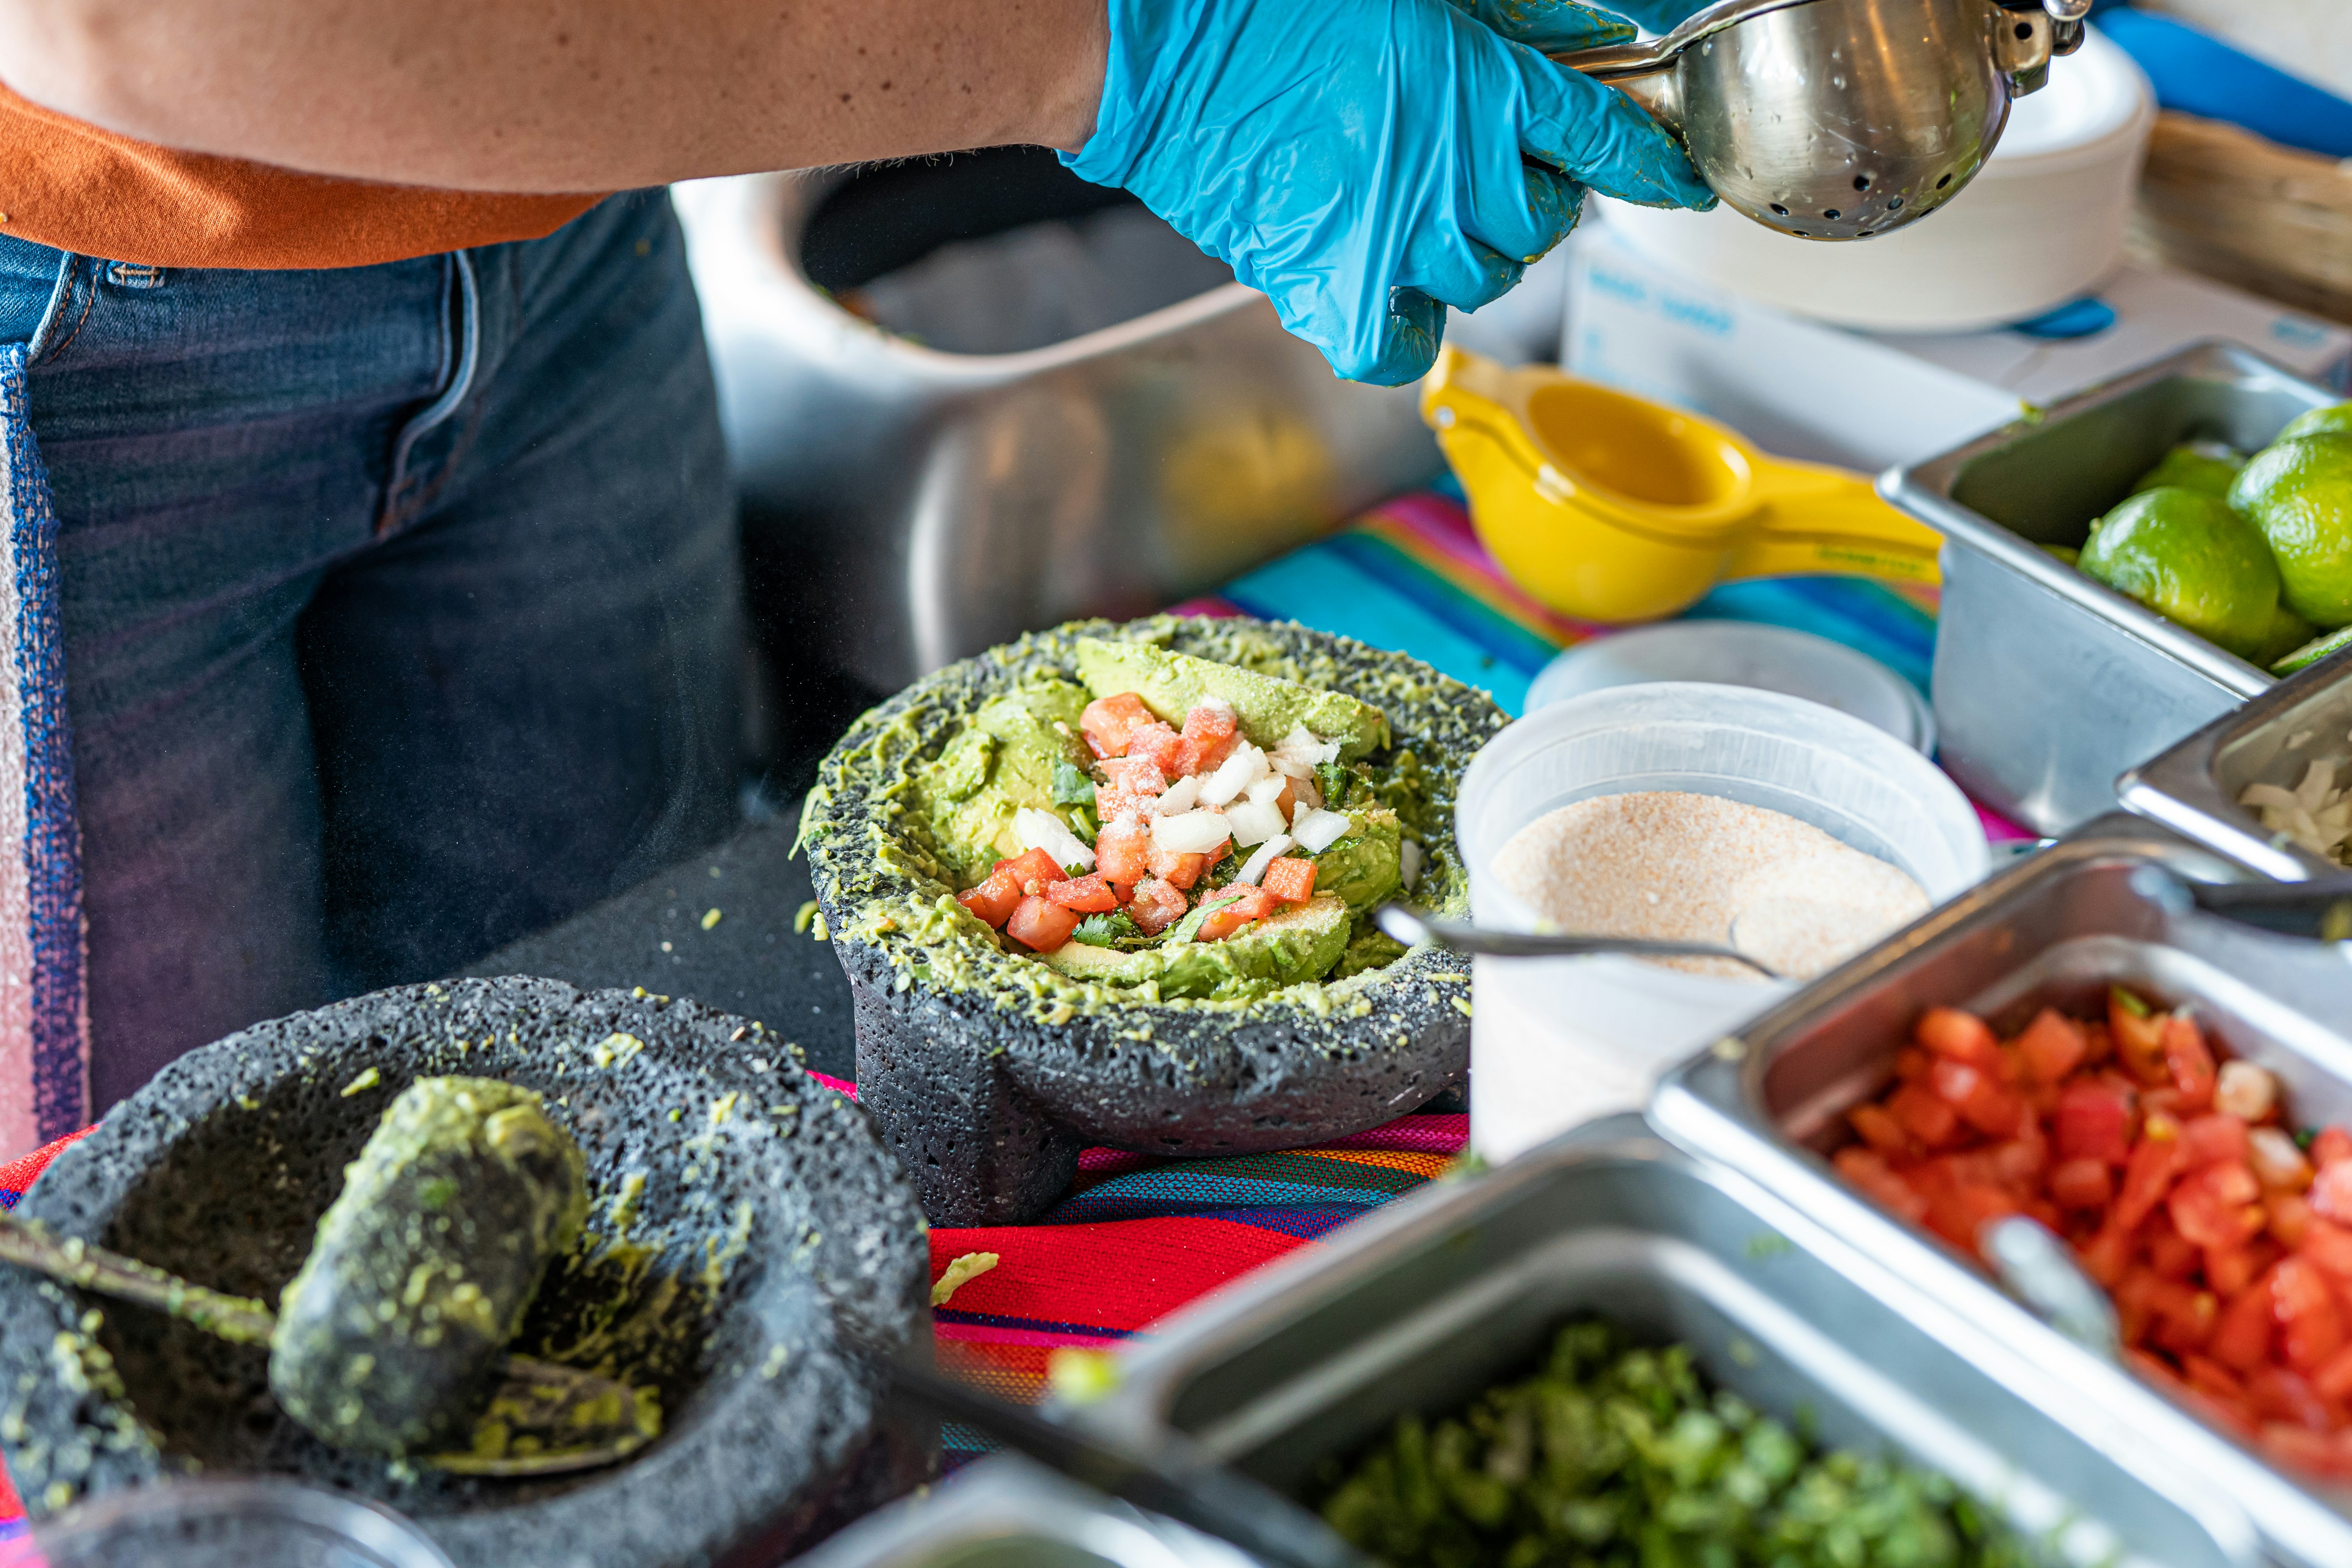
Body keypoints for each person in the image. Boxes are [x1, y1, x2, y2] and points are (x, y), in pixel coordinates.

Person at [0, 0, 1711, 1139]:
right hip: (71, 322)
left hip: (575, 217)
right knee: (164, 1183)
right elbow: (134, 23)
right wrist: (1131, 47)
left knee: (639, 1032)